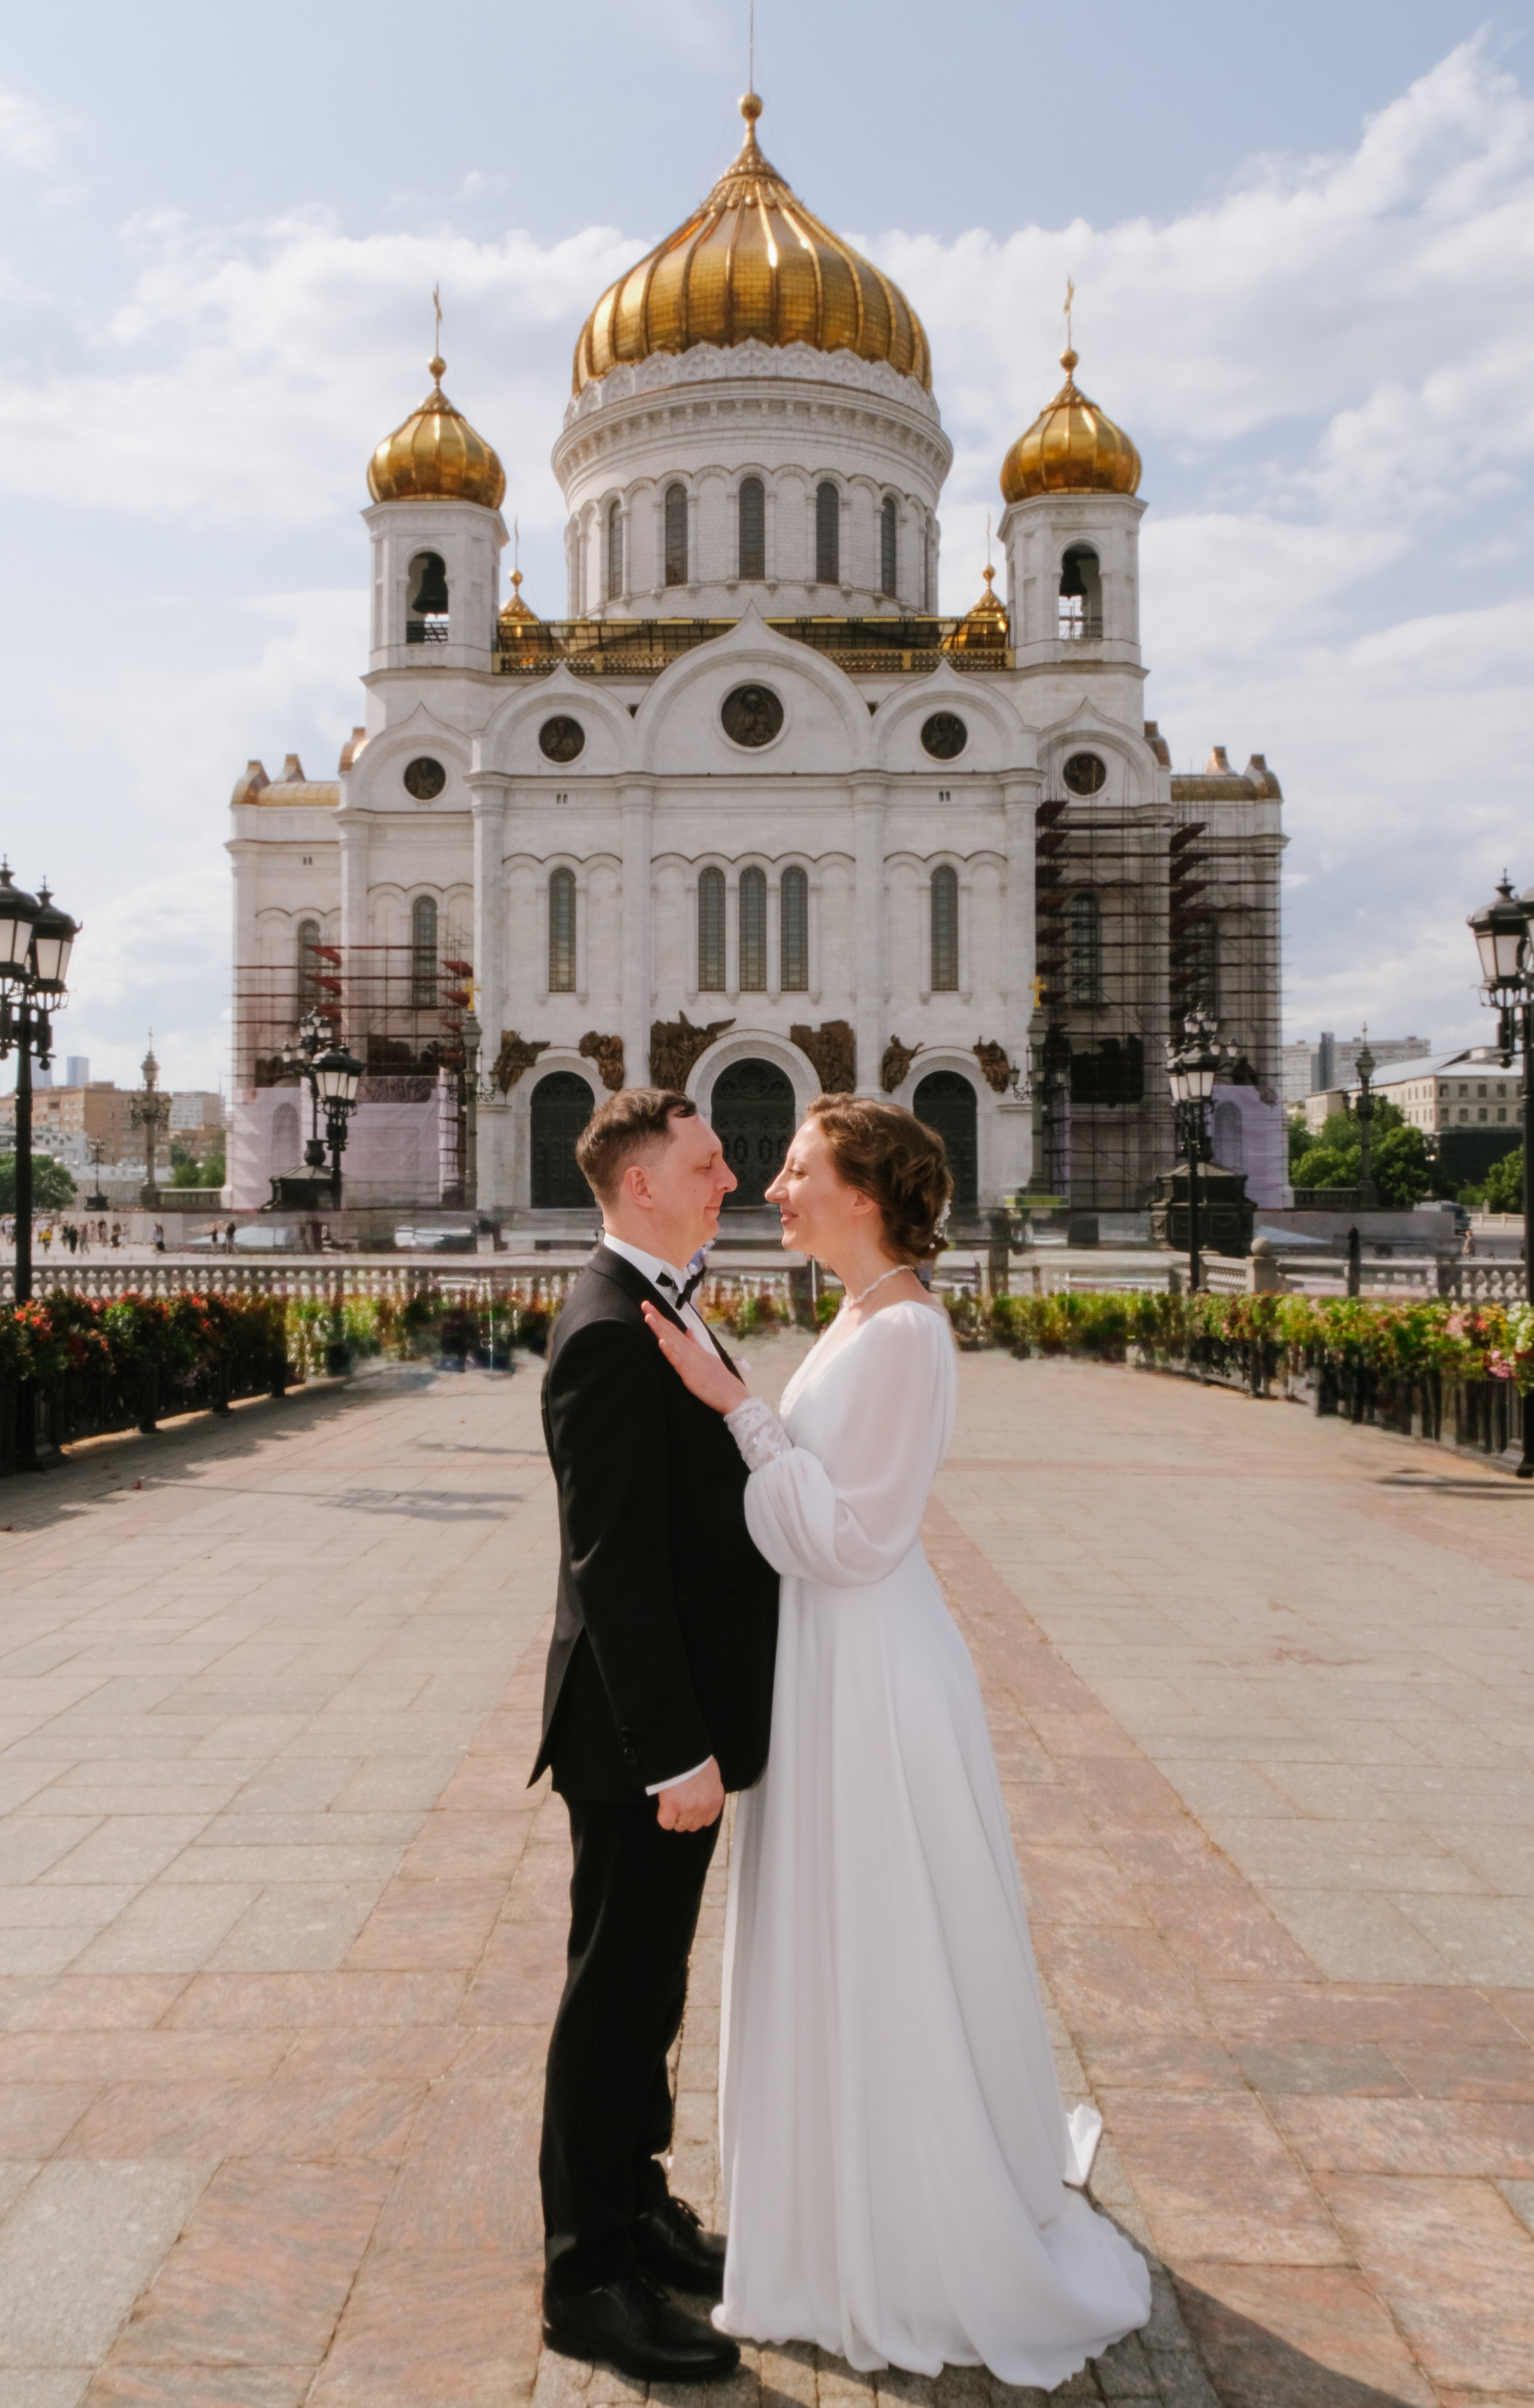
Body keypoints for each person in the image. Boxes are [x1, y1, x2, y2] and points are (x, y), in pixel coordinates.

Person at [643, 1096, 1151, 2391]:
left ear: (860, 1193)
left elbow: (852, 1535)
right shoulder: (865, 1315)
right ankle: (837, 2196)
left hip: (864, 1665)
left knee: (876, 1921)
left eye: (797, 1169)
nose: (772, 1187)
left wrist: (733, 1408)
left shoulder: (904, 1331)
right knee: (854, 1920)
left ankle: (902, 2222)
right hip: (836, 1658)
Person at [533, 1087, 780, 2386]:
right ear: (640, 1184)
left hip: (665, 1727)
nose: (727, 1176)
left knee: (648, 1986)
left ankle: (637, 2206)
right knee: (611, 1995)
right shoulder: (604, 1333)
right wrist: (674, 1747)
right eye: (705, 1161)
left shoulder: (656, 1303)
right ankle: (585, 2276)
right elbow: (615, 1565)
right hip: (638, 1737)